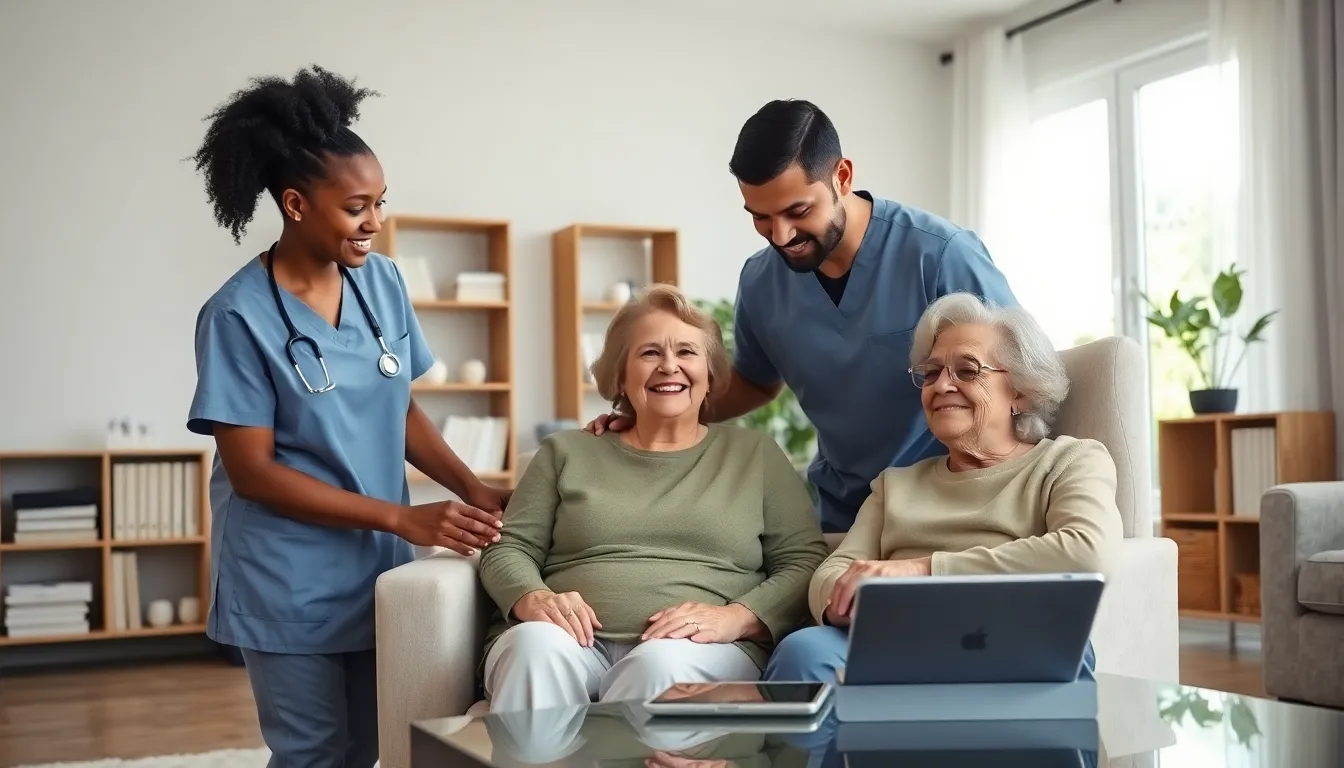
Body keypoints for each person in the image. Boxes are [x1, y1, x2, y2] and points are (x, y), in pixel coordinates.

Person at [185, 66, 510, 767]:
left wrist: (474, 490)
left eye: (381, 203)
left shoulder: (383, 282)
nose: (375, 223)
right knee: (314, 752)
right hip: (286, 576)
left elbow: (401, 410)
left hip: (377, 571)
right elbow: (253, 474)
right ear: (296, 204)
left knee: (370, 745)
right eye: (357, 207)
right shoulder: (238, 316)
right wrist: (401, 517)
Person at [589, 99, 1020, 534]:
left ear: (842, 177)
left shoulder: (941, 255)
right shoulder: (761, 281)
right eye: (760, 217)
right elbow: (754, 384)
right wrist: (657, 410)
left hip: (948, 507)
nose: (781, 235)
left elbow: (1018, 374)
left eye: (798, 212)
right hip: (842, 514)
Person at [478, 284, 828, 712]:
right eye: (649, 353)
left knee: (658, 668)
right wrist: (536, 598)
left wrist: (735, 616)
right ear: (620, 377)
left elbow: (804, 560)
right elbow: (508, 546)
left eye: (686, 352)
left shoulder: (756, 456)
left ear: (711, 374)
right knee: (533, 650)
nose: (669, 367)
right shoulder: (565, 452)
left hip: (697, 648)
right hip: (568, 639)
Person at [763, 291, 1124, 685]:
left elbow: (1088, 550)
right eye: (931, 373)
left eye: (967, 371)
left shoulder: (1069, 461)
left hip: (1011, 635)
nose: (941, 386)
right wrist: (849, 601)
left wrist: (923, 571)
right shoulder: (895, 485)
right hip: (895, 639)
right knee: (802, 653)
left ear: (1020, 391)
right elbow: (830, 573)